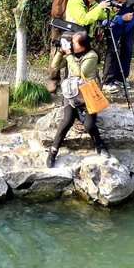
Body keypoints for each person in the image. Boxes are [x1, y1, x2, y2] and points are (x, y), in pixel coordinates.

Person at [47, 31, 108, 167]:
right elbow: (55, 66)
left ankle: (101, 146)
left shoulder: (92, 56)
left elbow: (80, 73)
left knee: (89, 125)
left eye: (73, 42)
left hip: (88, 94)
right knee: (66, 121)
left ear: (82, 45)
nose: (71, 44)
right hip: (71, 93)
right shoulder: (71, 54)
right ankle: (52, 152)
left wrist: (69, 55)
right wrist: (60, 52)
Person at [45, 0, 98, 93]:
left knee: (77, 47)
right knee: (58, 47)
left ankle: (72, 78)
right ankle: (53, 78)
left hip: (77, 18)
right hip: (61, 17)